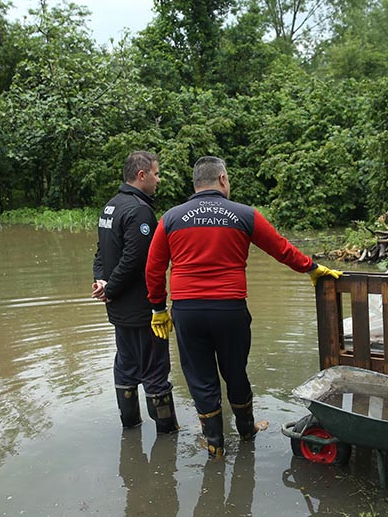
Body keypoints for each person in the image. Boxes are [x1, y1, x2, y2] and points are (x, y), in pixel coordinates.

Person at [144, 156, 341, 458]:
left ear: (195, 183)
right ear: (222, 179)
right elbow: (281, 248)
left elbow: (154, 268)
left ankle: (215, 445)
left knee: (200, 377)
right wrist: (311, 267)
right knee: (235, 371)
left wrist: (158, 307)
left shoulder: (171, 218)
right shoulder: (244, 214)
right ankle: (247, 431)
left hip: (188, 311)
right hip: (229, 310)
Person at [93, 151, 178, 433]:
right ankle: (168, 435)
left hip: (118, 308)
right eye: (156, 173)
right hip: (141, 310)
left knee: (126, 366)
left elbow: (100, 253)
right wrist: (112, 287)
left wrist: (102, 283)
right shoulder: (140, 210)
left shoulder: (110, 206)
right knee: (155, 370)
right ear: (142, 175)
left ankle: (130, 426)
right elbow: (136, 259)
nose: (159, 179)